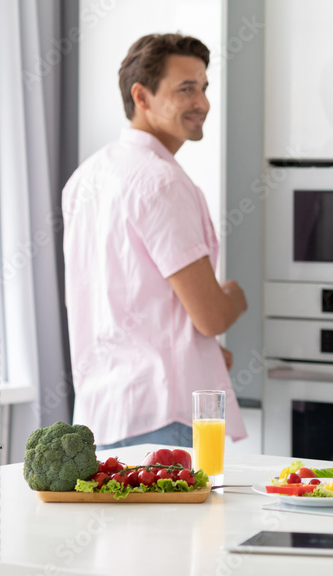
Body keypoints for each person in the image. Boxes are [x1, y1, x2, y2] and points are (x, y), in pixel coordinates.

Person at [62, 33, 248, 449]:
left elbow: (88, 302)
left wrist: (199, 354)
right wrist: (234, 296)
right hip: (166, 417)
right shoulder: (162, 182)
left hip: (102, 414)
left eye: (203, 87)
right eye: (186, 89)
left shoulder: (86, 178)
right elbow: (211, 317)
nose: (202, 103)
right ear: (141, 96)